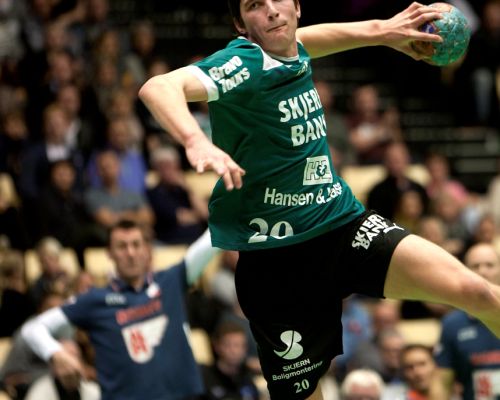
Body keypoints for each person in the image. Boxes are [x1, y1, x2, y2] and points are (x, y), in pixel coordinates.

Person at [138, 1, 500, 399]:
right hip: (277, 263)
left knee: (479, 293)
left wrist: (385, 31)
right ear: (241, 24)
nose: (271, 11)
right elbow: (158, 87)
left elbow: (314, 38)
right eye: (255, 5)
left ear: (296, 6)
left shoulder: (292, 47)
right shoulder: (243, 62)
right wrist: (195, 140)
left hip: (342, 227)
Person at [21, 220, 220, 400]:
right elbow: (32, 329)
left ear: (147, 250)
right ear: (109, 253)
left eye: (136, 244)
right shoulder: (94, 300)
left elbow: (212, 238)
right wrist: (55, 353)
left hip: (184, 396)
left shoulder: (170, 281)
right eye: (122, 246)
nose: (130, 253)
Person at [431, 242, 500, 400]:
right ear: (466, 271)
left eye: (489, 265)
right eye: (475, 266)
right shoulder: (452, 325)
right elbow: (441, 384)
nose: (482, 271)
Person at [198, 321, 260, 400]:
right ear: (217, 346)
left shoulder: (247, 376)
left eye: (238, 345)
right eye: (228, 345)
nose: (234, 351)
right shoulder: (204, 375)